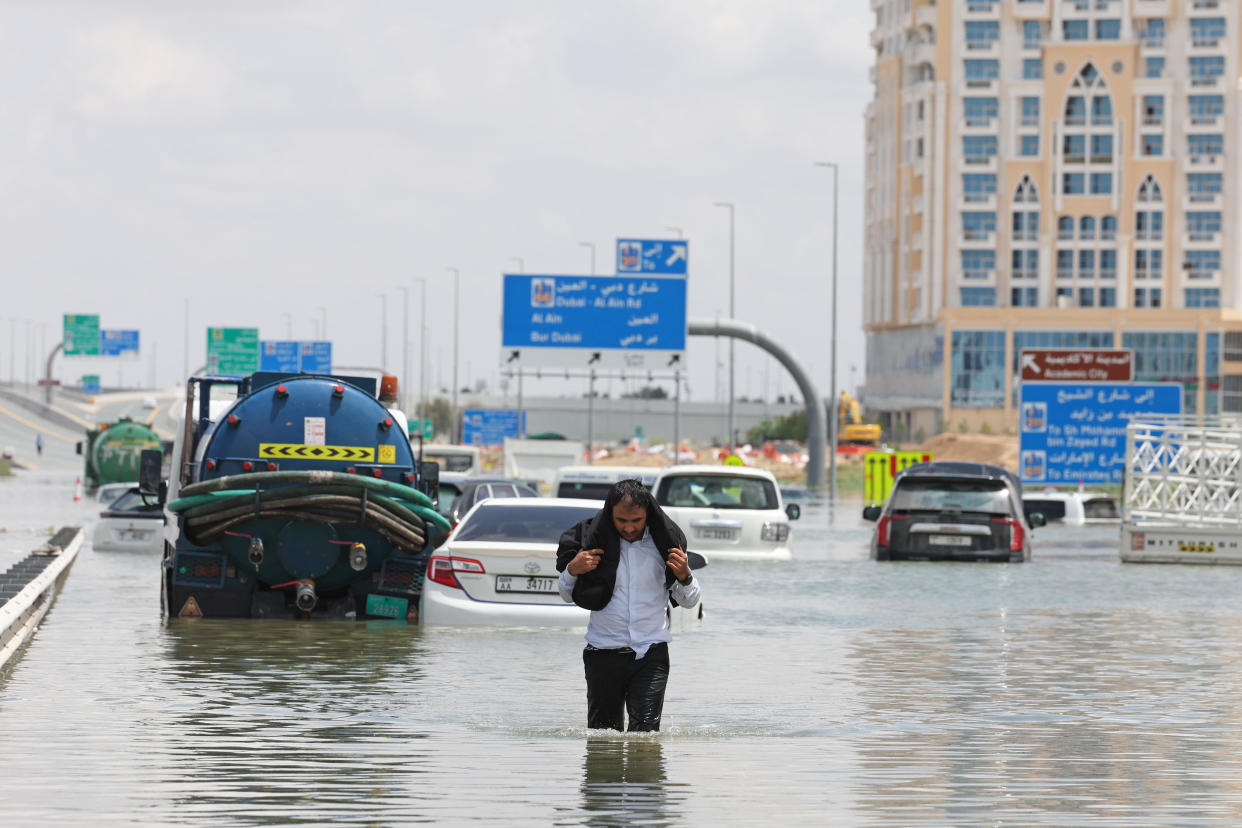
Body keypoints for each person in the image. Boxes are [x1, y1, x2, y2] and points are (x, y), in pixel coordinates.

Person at [556, 478, 701, 732]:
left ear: (648, 515)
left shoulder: (664, 545)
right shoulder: (592, 544)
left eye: (636, 521)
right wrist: (572, 570)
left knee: (645, 741)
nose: (629, 527)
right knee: (602, 740)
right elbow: (567, 595)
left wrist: (685, 576)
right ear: (610, 513)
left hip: (651, 654)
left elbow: (689, 602)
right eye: (621, 520)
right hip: (602, 653)